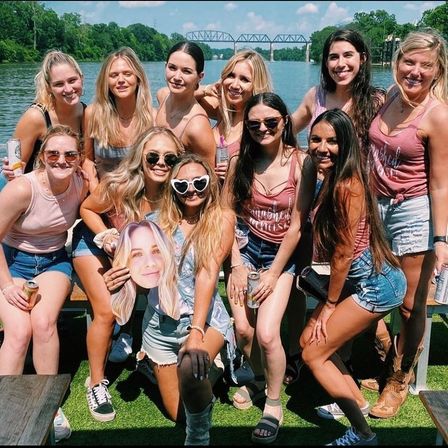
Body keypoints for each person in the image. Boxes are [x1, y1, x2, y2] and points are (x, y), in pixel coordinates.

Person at [104, 153, 236, 445]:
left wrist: (196, 333)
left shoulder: (222, 219)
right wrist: (119, 277)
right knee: (177, 412)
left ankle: (199, 437)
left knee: (190, 368)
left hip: (204, 319)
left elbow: (208, 273)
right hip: (160, 325)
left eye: (200, 183)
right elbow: (141, 275)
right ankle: (195, 374)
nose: (192, 190)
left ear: (210, 183)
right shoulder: (153, 223)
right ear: (173, 187)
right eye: (183, 184)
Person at [300, 108, 406, 446]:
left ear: (346, 144)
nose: (322, 147)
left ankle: (362, 431)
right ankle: (354, 402)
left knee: (313, 354)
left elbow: (343, 255)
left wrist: (330, 305)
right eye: (316, 139)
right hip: (364, 281)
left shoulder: (348, 186)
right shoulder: (329, 177)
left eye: (332, 141)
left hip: (378, 286)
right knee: (308, 342)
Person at [288, 28, 387, 388]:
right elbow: (287, 128)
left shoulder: (376, 101)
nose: (340, 64)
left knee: (355, 274)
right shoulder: (317, 95)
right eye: (333, 56)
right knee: (333, 276)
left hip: (359, 199)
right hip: (321, 196)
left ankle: (373, 355)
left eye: (348, 55)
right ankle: (329, 355)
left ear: (362, 59)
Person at [222, 92, 315, 444]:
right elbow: (227, 213)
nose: (263, 128)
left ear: (285, 122)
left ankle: (273, 403)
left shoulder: (301, 162)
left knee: (266, 333)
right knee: (244, 331)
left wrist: (275, 273)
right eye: (255, 123)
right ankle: (259, 381)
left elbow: (296, 224)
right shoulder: (238, 162)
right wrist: (235, 263)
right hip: (245, 248)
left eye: (271, 122)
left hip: (281, 254)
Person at [366, 29, 448, 419]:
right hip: (374, 207)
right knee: (372, 288)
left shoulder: (438, 114)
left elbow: (441, 183)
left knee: (412, 304)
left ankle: (398, 379)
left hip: (413, 210)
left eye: (424, 65)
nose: (414, 71)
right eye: (408, 61)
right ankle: (385, 350)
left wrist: (441, 238)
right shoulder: (388, 98)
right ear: (397, 61)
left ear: (437, 70)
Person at [77, 127, 182, 422]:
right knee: (107, 310)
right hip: (94, 244)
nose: (161, 163)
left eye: (170, 158)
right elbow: (88, 209)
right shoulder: (119, 184)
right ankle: (96, 383)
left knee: (166, 295)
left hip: (135, 255)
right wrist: (107, 237)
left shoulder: (177, 194)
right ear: (141, 158)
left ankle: (150, 356)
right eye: (153, 156)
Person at [71, 45, 155, 384]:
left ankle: (133, 333)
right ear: (106, 79)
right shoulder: (94, 113)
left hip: (136, 202)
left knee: (137, 262)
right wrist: (91, 176)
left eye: (126, 73)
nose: (120, 79)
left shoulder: (151, 114)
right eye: (114, 74)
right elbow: (87, 156)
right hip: (102, 199)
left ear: (137, 77)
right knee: (111, 263)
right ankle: (120, 329)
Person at [0, 125, 89, 443]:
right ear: (41, 156)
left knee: (43, 323)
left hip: (53, 261)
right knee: (19, 331)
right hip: (11, 262)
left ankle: (49, 407)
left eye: (70, 154)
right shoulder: (23, 188)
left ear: (79, 158)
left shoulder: (81, 183)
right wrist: (7, 284)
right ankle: (5, 405)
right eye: (53, 153)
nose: (61, 160)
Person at [1, 50, 85, 188]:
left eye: (72, 80)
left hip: (65, 187)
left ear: (81, 78)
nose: (68, 89)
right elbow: (16, 168)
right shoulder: (35, 117)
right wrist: (10, 170)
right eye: (59, 84)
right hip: (28, 187)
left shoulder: (88, 113)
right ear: (49, 87)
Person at [196, 49, 273, 180]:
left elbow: (271, 170)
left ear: (256, 85)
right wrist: (206, 89)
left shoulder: (260, 126)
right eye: (231, 76)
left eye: (244, 79)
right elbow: (167, 95)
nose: (235, 85)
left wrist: (236, 172)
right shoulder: (220, 111)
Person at [155, 41, 216, 169]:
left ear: (200, 76)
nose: (177, 77)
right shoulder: (162, 96)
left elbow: (210, 177)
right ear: (165, 66)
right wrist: (205, 89)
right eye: (172, 68)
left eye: (186, 71)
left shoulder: (197, 126)